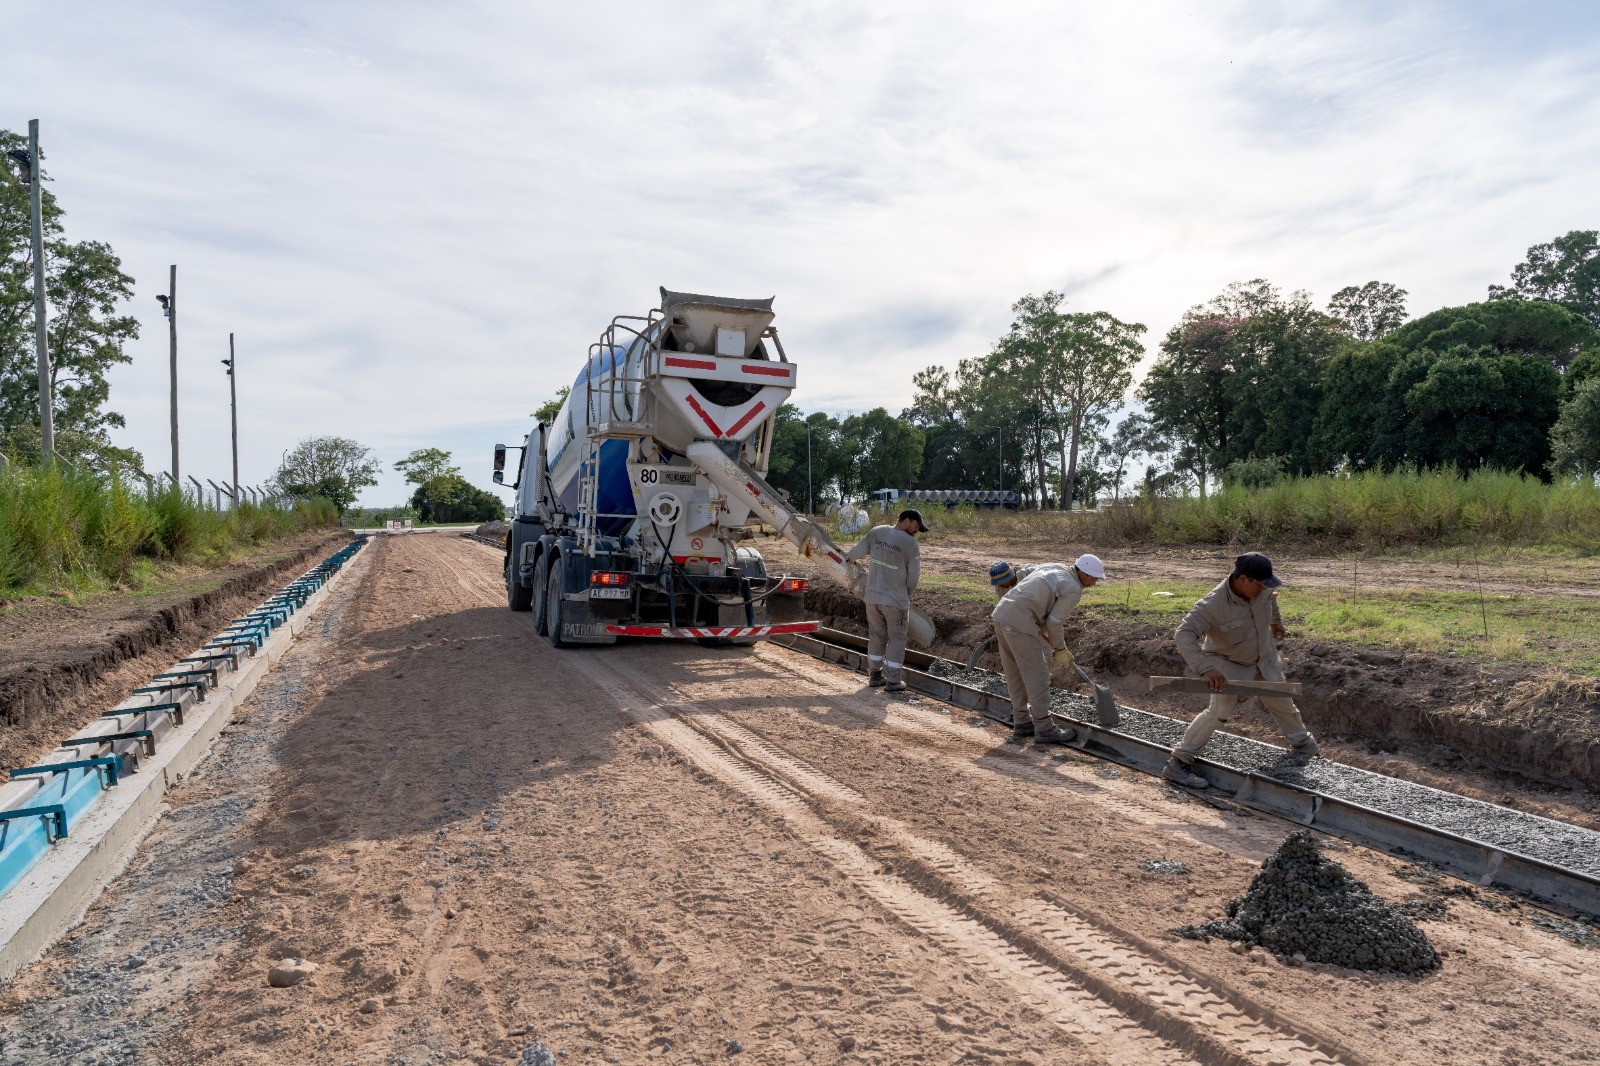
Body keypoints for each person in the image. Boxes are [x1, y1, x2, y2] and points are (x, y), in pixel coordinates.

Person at [1162, 551, 1319, 790]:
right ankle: (1179, 762)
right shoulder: (1212, 605)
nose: (1262, 589)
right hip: (1227, 662)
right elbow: (1183, 635)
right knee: (1219, 712)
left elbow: (1271, 598)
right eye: (1259, 584)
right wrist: (1206, 669)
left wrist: (1275, 621)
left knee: (1283, 703)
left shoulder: (1261, 586)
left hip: (1263, 658)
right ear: (1243, 579)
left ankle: (1305, 748)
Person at [991, 554, 1105, 744]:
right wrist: (1060, 649)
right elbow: (1055, 622)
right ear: (1083, 572)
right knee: (1038, 675)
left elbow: (1027, 579)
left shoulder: (1054, 566)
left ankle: (1022, 722)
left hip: (1002, 614)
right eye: (1093, 578)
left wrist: (1039, 622)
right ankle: (1044, 727)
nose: (1094, 583)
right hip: (1020, 622)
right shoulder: (1074, 589)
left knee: (1015, 673)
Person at [845, 508, 926, 693]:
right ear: (906, 520)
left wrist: (848, 558)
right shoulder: (910, 544)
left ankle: (875, 675)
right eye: (916, 526)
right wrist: (905, 595)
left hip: (872, 597)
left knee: (876, 635)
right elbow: (913, 577)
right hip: (895, 600)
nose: (917, 530)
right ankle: (894, 681)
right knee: (896, 638)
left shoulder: (877, 531)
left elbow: (855, 553)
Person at [988, 559, 1066, 598]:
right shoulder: (999, 587)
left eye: (1001, 582)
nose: (999, 585)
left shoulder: (1030, 574)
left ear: (1010, 577)